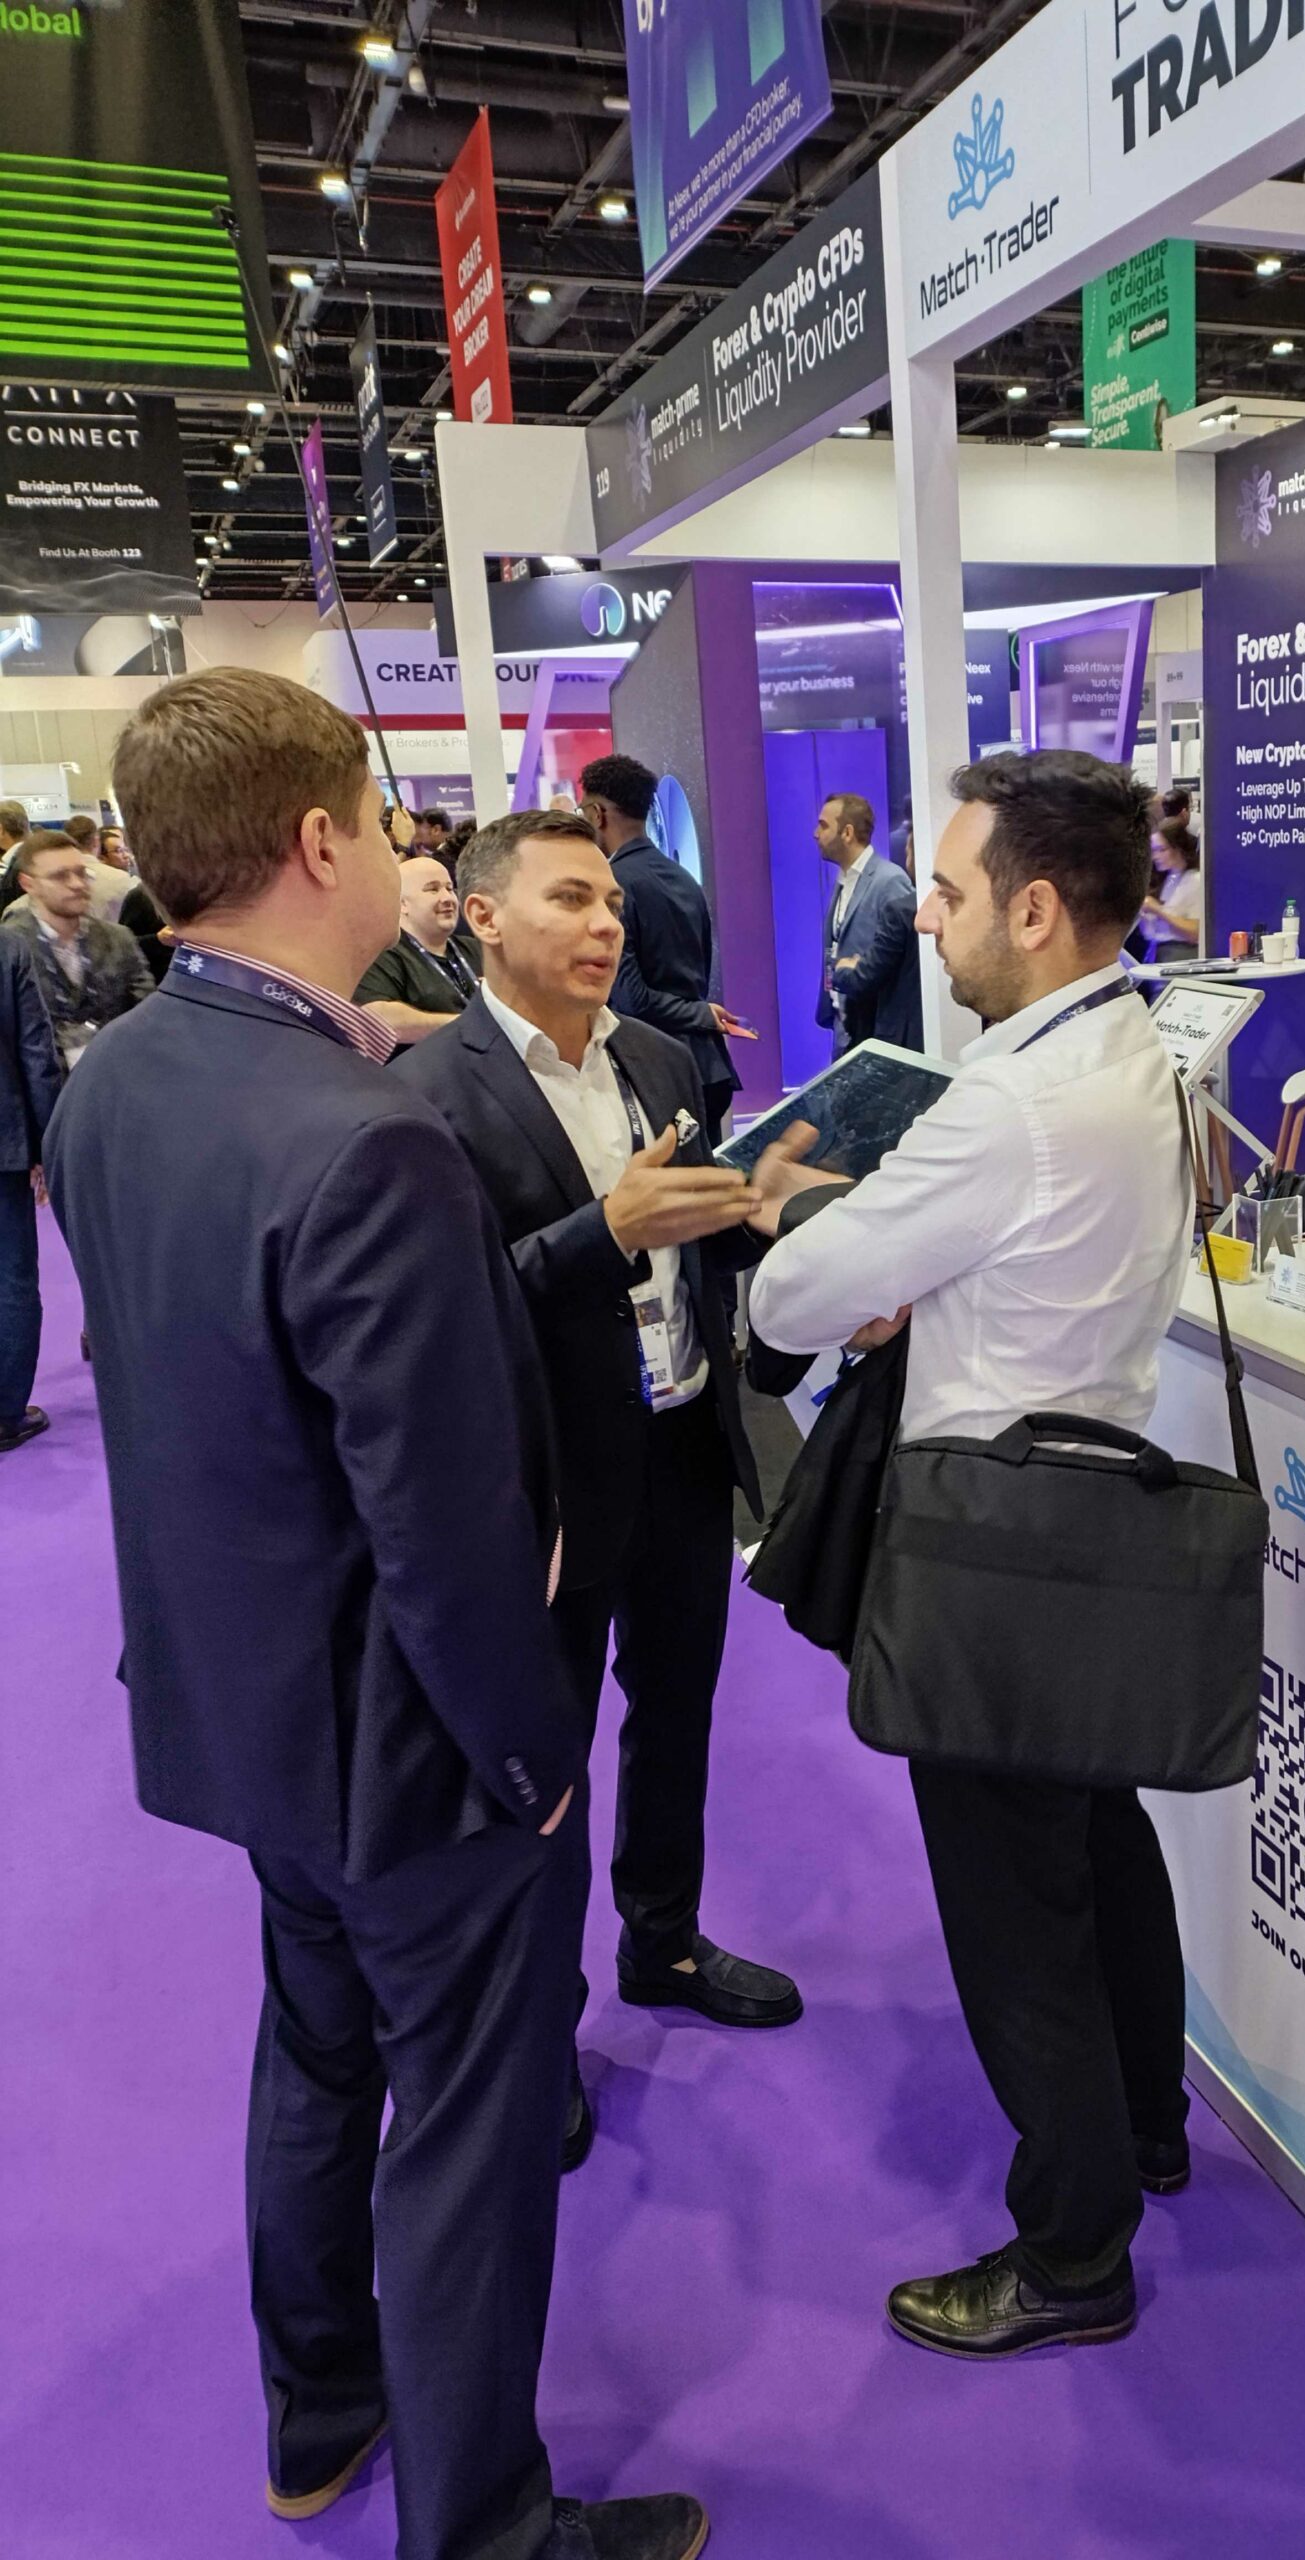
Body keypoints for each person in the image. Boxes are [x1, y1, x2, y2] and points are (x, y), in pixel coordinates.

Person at [44, 668, 706, 2560]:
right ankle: (487, 2528)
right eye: (379, 818)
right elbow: (445, 1522)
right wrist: (530, 1756)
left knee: (319, 2056)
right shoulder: (367, 1135)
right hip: (411, 1741)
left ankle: (319, 2412)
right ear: (321, 842)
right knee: (473, 2135)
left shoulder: (121, 1084)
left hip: (241, 1705)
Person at [749, 749, 1194, 2358]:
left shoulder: (1010, 1101)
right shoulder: (1131, 1045)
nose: (924, 919)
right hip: (1090, 1512)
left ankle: (1073, 2255)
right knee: (1095, 1846)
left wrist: (783, 1225)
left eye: (946, 894)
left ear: (1035, 907)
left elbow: (792, 1302)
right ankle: (1144, 2129)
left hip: (988, 1548)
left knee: (1016, 1913)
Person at [398, 810, 800, 2037]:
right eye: (570, 899)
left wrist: (760, 1213)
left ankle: (661, 1942)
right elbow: (444, 1310)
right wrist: (605, 1231)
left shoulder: (660, 1061)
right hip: (545, 1480)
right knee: (545, 1748)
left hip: (681, 1442)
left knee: (676, 1713)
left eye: (610, 903)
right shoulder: (427, 1091)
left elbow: (692, 1237)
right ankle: (541, 2018)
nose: (605, 924)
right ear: (481, 916)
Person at [578, 753, 752, 1144]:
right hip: (708, 1068)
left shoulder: (613, 886)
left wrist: (699, 1013)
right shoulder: (684, 879)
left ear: (597, 814)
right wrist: (699, 1013)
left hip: (655, 1074)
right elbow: (698, 976)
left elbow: (631, 1000)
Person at [2, 832, 153, 1070]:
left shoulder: (118, 939)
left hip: (117, 1074)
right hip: (46, 1083)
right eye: (60, 876)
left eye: (81, 873)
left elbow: (147, 1013)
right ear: (28, 884)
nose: (77, 884)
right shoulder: (10, 950)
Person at [0, 929, 62, 1453]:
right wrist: (46, 1144)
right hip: (2, 1143)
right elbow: (36, 1051)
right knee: (10, 1277)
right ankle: (5, 1415)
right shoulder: (8, 948)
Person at [814, 792, 923, 1054]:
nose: (816, 834)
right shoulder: (843, 881)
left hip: (875, 1031)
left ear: (847, 833)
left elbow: (900, 957)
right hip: (844, 1027)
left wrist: (854, 969)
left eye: (823, 825)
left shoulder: (890, 881)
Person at [354, 854, 482, 1044]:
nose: (447, 898)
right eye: (432, 889)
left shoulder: (477, 947)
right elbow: (379, 1018)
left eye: (449, 888)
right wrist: (467, 1025)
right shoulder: (382, 953)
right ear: (402, 904)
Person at [1138, 820, 1203, 957]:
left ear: (1178, 849)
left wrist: (1158, 910)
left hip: (1181, 955)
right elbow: (1151, 932)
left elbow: (1195, 932)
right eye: (1154, 851)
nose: (1156, 857)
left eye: (1162, 850)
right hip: (1156, 952)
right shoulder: (1167, 880)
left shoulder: (1195, 880)